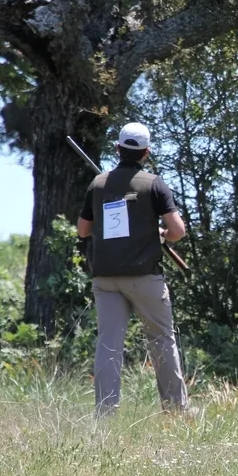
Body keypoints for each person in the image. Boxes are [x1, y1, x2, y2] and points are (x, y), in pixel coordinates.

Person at [76, 122, 191, 417]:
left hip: (106, 278)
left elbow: (83, 230)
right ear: (146, 152)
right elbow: (178, 230)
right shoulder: (154, 184)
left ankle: (105, 414)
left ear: (118, 148)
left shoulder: (98, 184)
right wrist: (162, 234)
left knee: (109, 344)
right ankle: (176, 411)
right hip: (144, 278)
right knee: (161, 339)